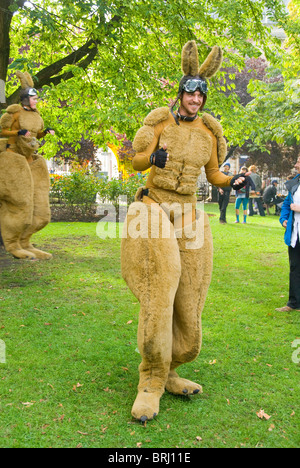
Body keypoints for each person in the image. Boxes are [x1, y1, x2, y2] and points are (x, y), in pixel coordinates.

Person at [121, 40, 249, 422]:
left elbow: (213, 174)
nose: (195, 98)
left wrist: (232, 182)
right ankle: (150, 379)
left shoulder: (210, 134)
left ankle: (172, 369)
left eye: (201, 94)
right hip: (154, 206)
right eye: (190, 92)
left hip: (189, 212)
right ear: (180, 93)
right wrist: (151, 159)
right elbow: (135, 160)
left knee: (190, 294)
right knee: (162, 283)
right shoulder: (159, 122)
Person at [0, 71, 54, 259]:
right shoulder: (14, 113)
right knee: (20, 204)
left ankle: (25, 242)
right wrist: (18, 132)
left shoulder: (36, 116)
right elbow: (4, 131)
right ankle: (13, 244)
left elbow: (36, 135)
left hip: (31, 161)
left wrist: (45, 132)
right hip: (14, 159)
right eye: (33, 98)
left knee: (41, 211)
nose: (36, 101)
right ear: (25, 99)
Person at [276, 157, 300, 312]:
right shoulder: (295, 182)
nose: (296, 164)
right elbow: (286, 204)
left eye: (299, 162)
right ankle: (294, 304)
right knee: (295, 268)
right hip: (295, 234)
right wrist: (283, 219)